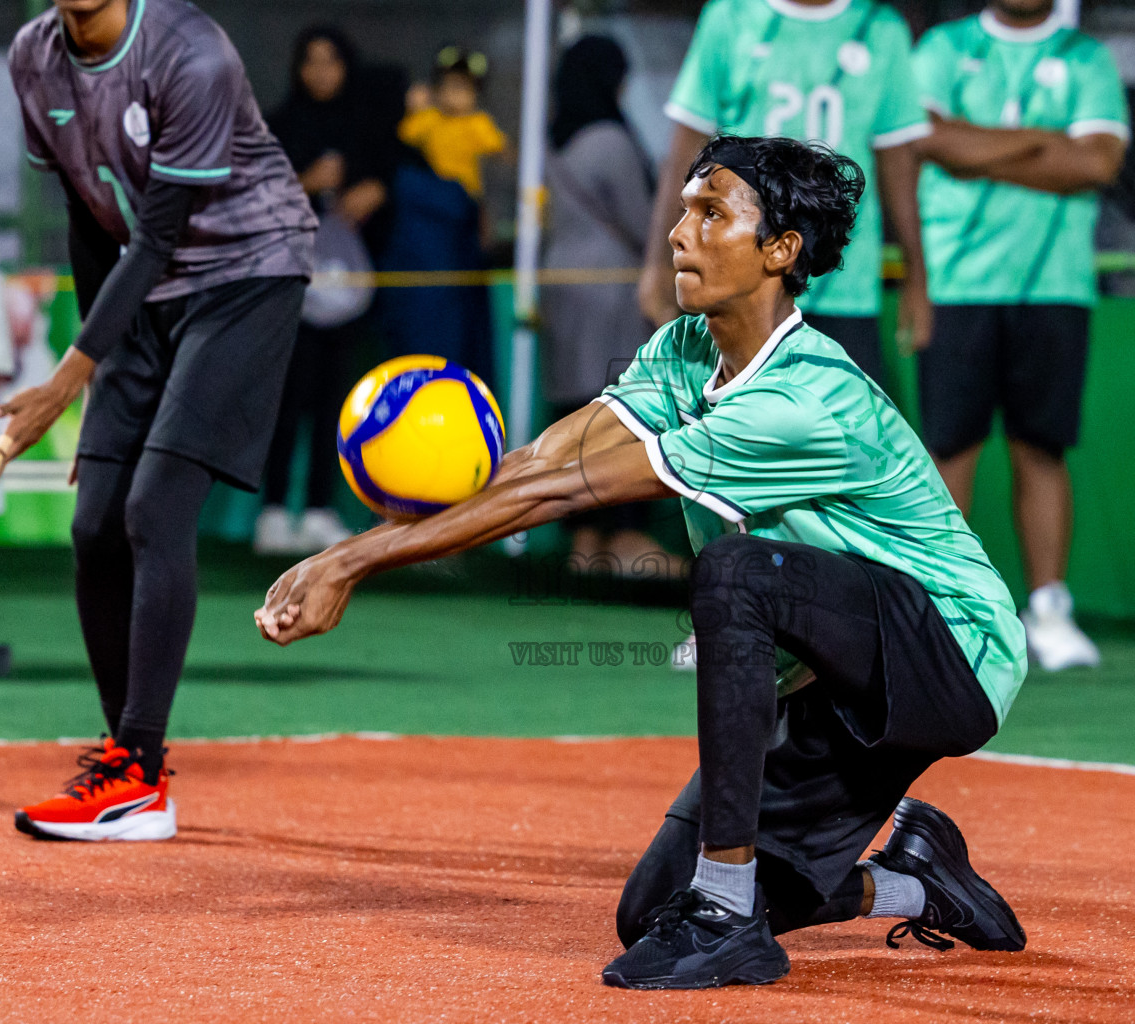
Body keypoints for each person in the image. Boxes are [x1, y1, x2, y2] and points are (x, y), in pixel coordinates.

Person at [256, 135, 1028, 989]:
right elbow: (544, 465)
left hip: (950, 654)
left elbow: (565, 496)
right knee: (648, 910)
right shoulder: (686, 350)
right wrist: (350, 550)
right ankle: (917, 886)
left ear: (780, 251)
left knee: (734, 575)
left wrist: (354, 567)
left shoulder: (805, 399)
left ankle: (729, 915)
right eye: (685, 208)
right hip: (829, 681)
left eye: (711, 214)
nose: (678, 231)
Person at [0, 0, 316, 840]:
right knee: (96, 520)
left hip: (245, 275)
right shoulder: (33, 57)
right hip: (144, 290)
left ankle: (135, 771)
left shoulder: (190, 52)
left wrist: (70, 376)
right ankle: (128, 770)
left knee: (154, 507)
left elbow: (162, 231)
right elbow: (89, 218)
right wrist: (102, 378)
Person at [909, 0, 1128, 671]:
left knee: (1042, 448)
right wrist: (1041, 140)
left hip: (1054, 286)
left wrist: (976, 150)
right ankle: (944, 610)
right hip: (955, 282)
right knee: (950, 450)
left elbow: (1097, 164)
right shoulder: (943, 49)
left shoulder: (1087, 59)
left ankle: (1049, 610)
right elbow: (927, 140)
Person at [636, 0, 932, 389]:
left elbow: (897, 160)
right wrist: (658, 264)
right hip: (744, 284)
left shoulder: (880, 27)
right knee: (731, 431)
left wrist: (917, 277)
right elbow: (686, 154)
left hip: (846, 285)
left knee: (842, 439)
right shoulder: (730, 17)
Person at [541, 35, 676, 576]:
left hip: (562, 284)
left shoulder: (556, 138)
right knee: (623, 410)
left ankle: (582, 544)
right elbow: (646, 223)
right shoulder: (610, 140)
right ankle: (625, 539)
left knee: (573, 413)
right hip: (611, 288)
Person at [257, 25, 391, 556]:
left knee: (339, 398)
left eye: (330, 61)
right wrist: (307, 182)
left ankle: (318, 509)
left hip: (348, 293)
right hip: (288, 290)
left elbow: (387, 181)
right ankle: (271, 514)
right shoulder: (279, 126)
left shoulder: (367, 130)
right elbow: (252, 196)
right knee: (288, 398)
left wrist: (374, 191)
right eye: (310, 61)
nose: (320, 72)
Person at [398, 46, 507, 201]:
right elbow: (406, 134)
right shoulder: (431, 117)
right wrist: (414, 108)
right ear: (437, 89)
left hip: (466, 195)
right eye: (450, 85)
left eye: (462, 87)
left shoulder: (478, 122)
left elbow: (498, 148)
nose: (455, 93)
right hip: (431, 193)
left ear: (475, 94)